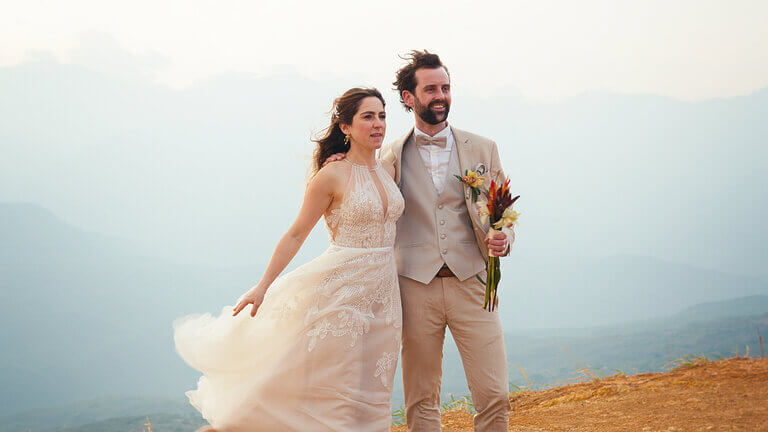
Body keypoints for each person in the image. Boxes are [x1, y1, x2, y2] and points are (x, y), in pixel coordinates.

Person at [173, 87, 405, 432]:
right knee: (329, 381)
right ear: (345, 127)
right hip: (341, 292)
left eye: (382, 116)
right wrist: (262, 286)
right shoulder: (332, 176)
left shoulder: (389, 166)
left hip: (385, 296)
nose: (377, 124)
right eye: (367, 117)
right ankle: (236, 424)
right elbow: (296, 233)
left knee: (374, 383)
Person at [326, 50, 513, 431]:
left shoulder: (483, 148)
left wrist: (504, 238)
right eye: (430, 89)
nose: (440, 95)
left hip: (474, 283)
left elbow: (502, 211)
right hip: (413, 288)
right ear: (408, 98)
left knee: (494, 394)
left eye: (445, 87)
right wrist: (339, 163)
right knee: (421, 399)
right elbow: (358, 191)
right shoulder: (387, 156)